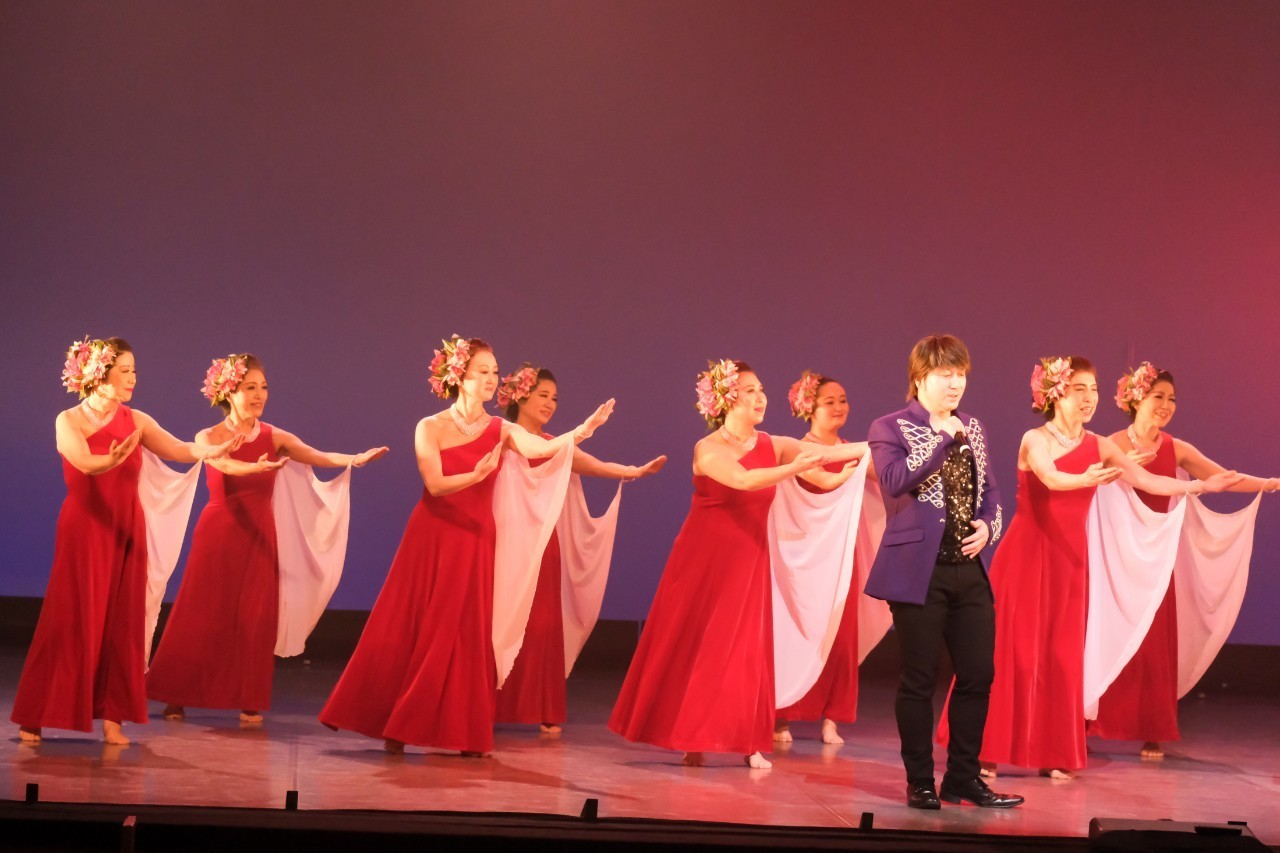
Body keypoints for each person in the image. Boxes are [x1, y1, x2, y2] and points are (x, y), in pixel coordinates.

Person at [319, 335, 612, 755]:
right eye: (483, 371)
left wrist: (581, 431)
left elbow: (543, 448)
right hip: (433, 536)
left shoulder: (501, 429)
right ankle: (395, 722)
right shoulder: (430, 427)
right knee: (417, 625)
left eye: (495, 371)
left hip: (476, 539)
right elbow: (436, 484)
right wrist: (475, 476)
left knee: (466, 633)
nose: (492, 379)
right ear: (459, 375)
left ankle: (464, 732)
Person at [976, 356, 1240, 780]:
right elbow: (1050, 477)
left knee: (1063, 658)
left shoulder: (1099, 445)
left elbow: (1148, 480)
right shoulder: (1034, 439)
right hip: (1026, 558)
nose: (1089, 398)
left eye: (1094, 390)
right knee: (1014, 654)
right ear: (1055, 394)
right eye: (1079, 389)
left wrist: (1199, 485)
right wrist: (1084, 479)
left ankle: (1054, 753)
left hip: (1070, 561)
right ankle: (987, 750)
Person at [609, 359, 867, 770]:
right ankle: (691, 737)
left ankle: (749, 740)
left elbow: (825, 461)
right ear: (727, 399)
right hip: (704, 561)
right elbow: (745, 481)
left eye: (761, 389)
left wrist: (880, 445)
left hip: (750, 558)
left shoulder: (773, 443)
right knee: (699, 646)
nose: (760, 397)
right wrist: (793, 468)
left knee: (747, 649)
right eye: (750, 390)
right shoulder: (708, 449)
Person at [11, 336, 240, 745]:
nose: (133, 378)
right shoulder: (69, 420)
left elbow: (177, 448)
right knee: (72, 618)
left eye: (134, 370)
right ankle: (37, 713)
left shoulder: (137, 420)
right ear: (98, 374)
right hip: (85, 529)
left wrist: (212, 450)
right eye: (124, 370)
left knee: (122, 623)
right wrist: (111, 459)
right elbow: (83, 462)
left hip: (126, 529)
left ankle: (113, 718)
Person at [146, 353, 388, 723]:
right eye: (250, 388)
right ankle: (176, 695)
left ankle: (249, 697)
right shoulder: (209, 437)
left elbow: (315, 455)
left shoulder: (275, 436)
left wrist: (353, 459)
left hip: (260, 535)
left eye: (263, 387)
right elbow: (222, 463)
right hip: (218, 533)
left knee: (255, 616)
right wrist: (252, 468)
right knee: (201, 613)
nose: (260, 395)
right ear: (229, 392)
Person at [864, 334, 1021, 810]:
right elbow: (895, 481)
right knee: (919, 677)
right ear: (919, 378)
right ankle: (920, 781)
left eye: (960, 374)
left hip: (968, 569)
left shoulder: (973, 427)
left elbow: (990, 491)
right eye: (944, 375)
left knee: (978, 674)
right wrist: (940, 440)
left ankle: (963, 778)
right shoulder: (889, 426)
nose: (956, 384)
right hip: (918, 570)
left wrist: (989, 527)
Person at [1091, 363, 1278, 758]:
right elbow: (1087, 486)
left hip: (1157, 557)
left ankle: (1153, 728)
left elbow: (1222, 477)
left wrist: (1267, 483)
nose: (1166, 405)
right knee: (1106, 633)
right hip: (1117, 555)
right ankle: (1087, 719)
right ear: (1135, 399)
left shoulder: (1177, 448)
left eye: (1172, 399)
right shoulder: (1112, 444)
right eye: (1158, 396)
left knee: (1154, 644)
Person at [493, 364, 665, 733]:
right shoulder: (503, 435)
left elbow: (593, 465)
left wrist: (632, 471)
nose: (550, 404)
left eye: (554, 398)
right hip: (506, 541)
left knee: (541, 624)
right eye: (543, 395)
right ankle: (489, 702)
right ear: (521, 396)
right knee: (500, 618)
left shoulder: (555, 442)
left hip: (542, 546)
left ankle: (542, 707)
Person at [774, 371, 888, 746]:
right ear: (809, 407)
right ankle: (782, 717)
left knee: (840, 636)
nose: (839, 407)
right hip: (804, 558)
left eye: (843, 400)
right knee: (798, 632)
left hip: (842, 557)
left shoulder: (852, 449)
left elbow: (886, 479)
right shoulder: (797, 449)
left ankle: (831, 717)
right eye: (829, 402)